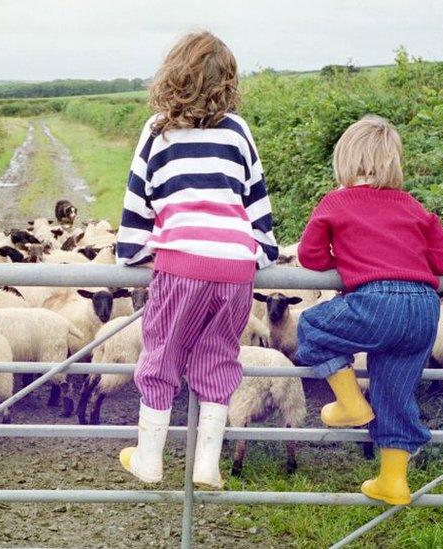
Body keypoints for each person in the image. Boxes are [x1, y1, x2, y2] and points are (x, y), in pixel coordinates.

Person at [114, 31, 278, 489]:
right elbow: (255, 199)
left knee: (162, 355)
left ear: (172, 76)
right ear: (227, 82)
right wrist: (262, 250)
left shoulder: (157, 130)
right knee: (219, 358)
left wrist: (133, 250)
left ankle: (149, 459)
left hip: (181, 263)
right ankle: (207, 464)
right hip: (234, 268)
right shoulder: (238, 130)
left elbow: (138, 197)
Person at [293, 115, 443, 505]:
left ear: (344, 162)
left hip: (375, 301)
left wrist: (345, 254)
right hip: (422, 308)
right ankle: (393, 481)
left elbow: (310, 257)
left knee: (313, 327)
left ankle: (351, 404)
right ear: (394, 163)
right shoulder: (413, 206)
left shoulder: (336, 202)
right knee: (395, 393)